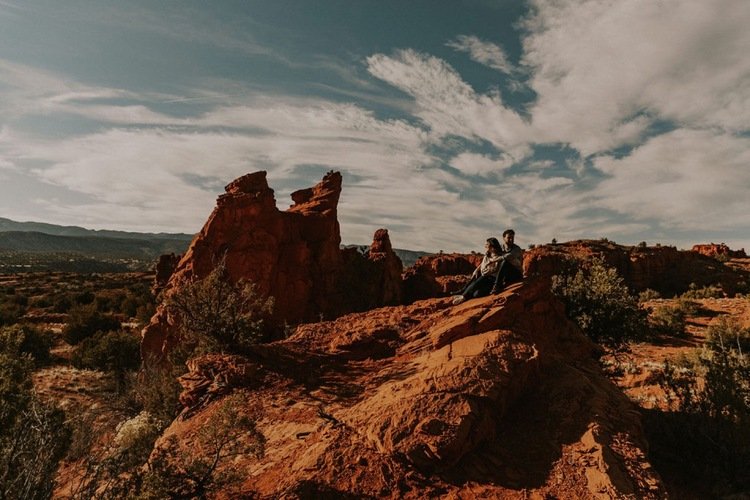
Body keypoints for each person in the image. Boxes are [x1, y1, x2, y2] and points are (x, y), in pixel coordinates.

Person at [453, 237, 504, 305]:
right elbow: (482, 264)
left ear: (492, 247)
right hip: (485, 275)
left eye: (487, 244)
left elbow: (494, 269)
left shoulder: (498, 257)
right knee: (476, 290)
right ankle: (463, 293)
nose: (485, 246)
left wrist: (483, 271)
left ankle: (463, 297)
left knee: (477, 292)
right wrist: (477, 270)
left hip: (492, 279)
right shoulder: (488, 254)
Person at [491, 229, 523, 294]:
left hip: (516, 274)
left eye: (512, 238)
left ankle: (497, 285)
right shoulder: (500, 247)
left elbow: (508, 256)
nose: (511, 239)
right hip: (504, 274)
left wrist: (494, 259)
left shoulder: (516, 249)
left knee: (505, 262)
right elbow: (491, 254)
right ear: (503, 238)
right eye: (509, 238)